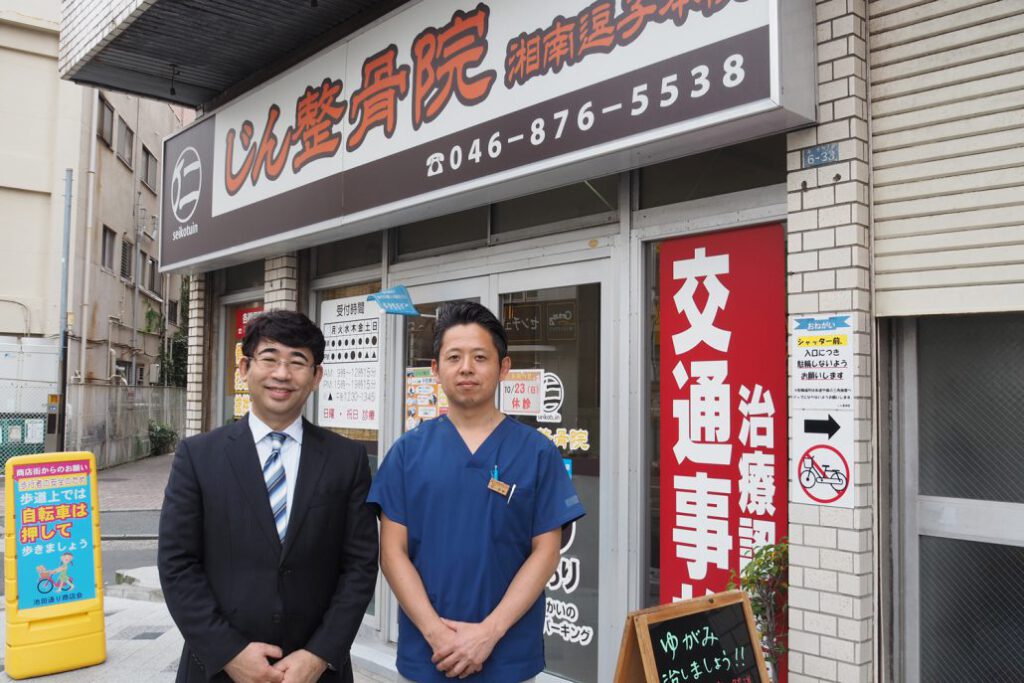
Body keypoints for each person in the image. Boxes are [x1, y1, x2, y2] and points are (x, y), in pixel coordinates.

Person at [368, 301, 585, 682]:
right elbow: (392, 553)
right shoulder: (407, 453)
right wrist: (437, 635)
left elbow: (546, 552)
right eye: (454, 357)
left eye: (480, 357)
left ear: (504, 367)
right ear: (436, 369)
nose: (466, 367)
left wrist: (489, 633)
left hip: (508, 658)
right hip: (428, 657)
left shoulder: (537, 452)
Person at [158, 310, 378, 683]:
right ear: (245, 368)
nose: (282, 373)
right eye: (270, 358)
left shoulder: (347, 459)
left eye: (298, 362)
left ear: (316, 376)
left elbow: (360, 566)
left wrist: (319, 655)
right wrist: (229, 653)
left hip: (316, 672)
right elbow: (177, 563)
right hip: (218, 670)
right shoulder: (198, 456)